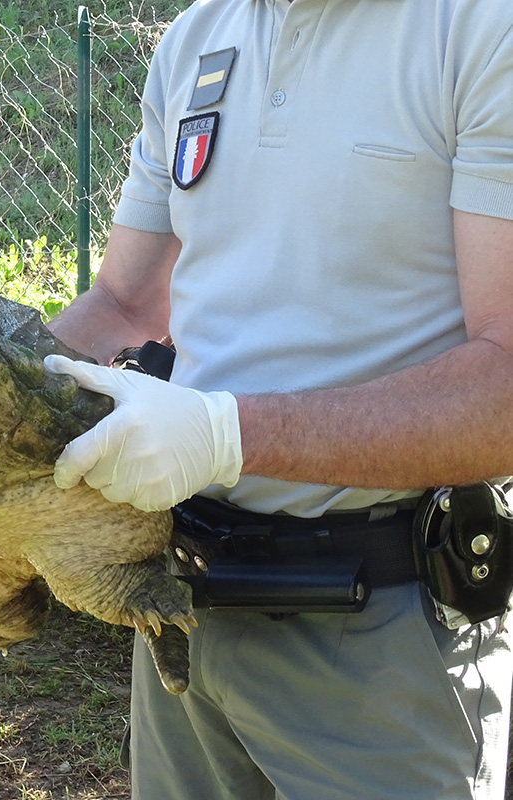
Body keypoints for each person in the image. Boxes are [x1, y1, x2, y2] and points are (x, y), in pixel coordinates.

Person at [44, 0, 513, 797]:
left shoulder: (478, 28)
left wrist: (229, 435)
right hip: (179, 612)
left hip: (382, 629)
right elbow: (122, 306)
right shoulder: (197, 35)